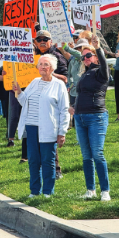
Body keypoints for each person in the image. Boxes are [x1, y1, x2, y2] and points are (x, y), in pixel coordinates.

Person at [13, 54, 69, 198]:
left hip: (48, 128)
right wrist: (19, 91)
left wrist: (62, 132)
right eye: (41, 64)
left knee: (47, 160)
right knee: (33, 160)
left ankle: (48, 191)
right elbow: (24, 101)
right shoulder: (34, 82)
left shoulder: (58, 85)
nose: (43, 67)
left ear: (52, 68)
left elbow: (64, 109)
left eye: (46, 64)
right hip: (31, 127)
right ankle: (34, 190)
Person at [70, 35, 111, 201]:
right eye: (83, 57)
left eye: (88, 55)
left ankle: (105, 191)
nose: (85, 59)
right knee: (86, 156)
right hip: (80, 118)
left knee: (97, 154)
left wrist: (99, 48)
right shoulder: (84, 74)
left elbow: (106, 69)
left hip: (97, 117)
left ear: (95, 56)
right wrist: (74, 109)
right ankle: (90, 190)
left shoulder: (100, 73)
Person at [34, 29, 69, 178]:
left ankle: (56, 169)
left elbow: (66, 78)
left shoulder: (56, 56)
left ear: (50, 41)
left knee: (49, 137)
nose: (42, 41)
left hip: (51, 102)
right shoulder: (33, 57)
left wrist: (49, 73)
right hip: (37, 101)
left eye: (45, 39)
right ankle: (40, 168)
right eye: (39, 39)